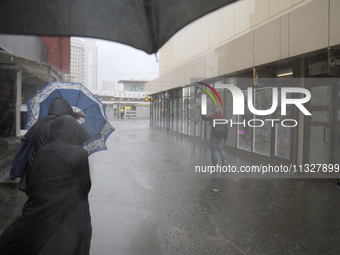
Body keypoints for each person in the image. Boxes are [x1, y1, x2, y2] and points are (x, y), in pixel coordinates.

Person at [0, 115, 92, 255]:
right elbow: (85, 187)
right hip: (65, 207)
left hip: (39, 207)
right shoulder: (79, 153)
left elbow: (34, 180)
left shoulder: (42, 151)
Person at [18, 97, 75, 194]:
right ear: (67, 112)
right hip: (49, 175)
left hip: (33, 170)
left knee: (35, 202)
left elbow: (25, 139)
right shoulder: (61, 127)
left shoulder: (41, 121)